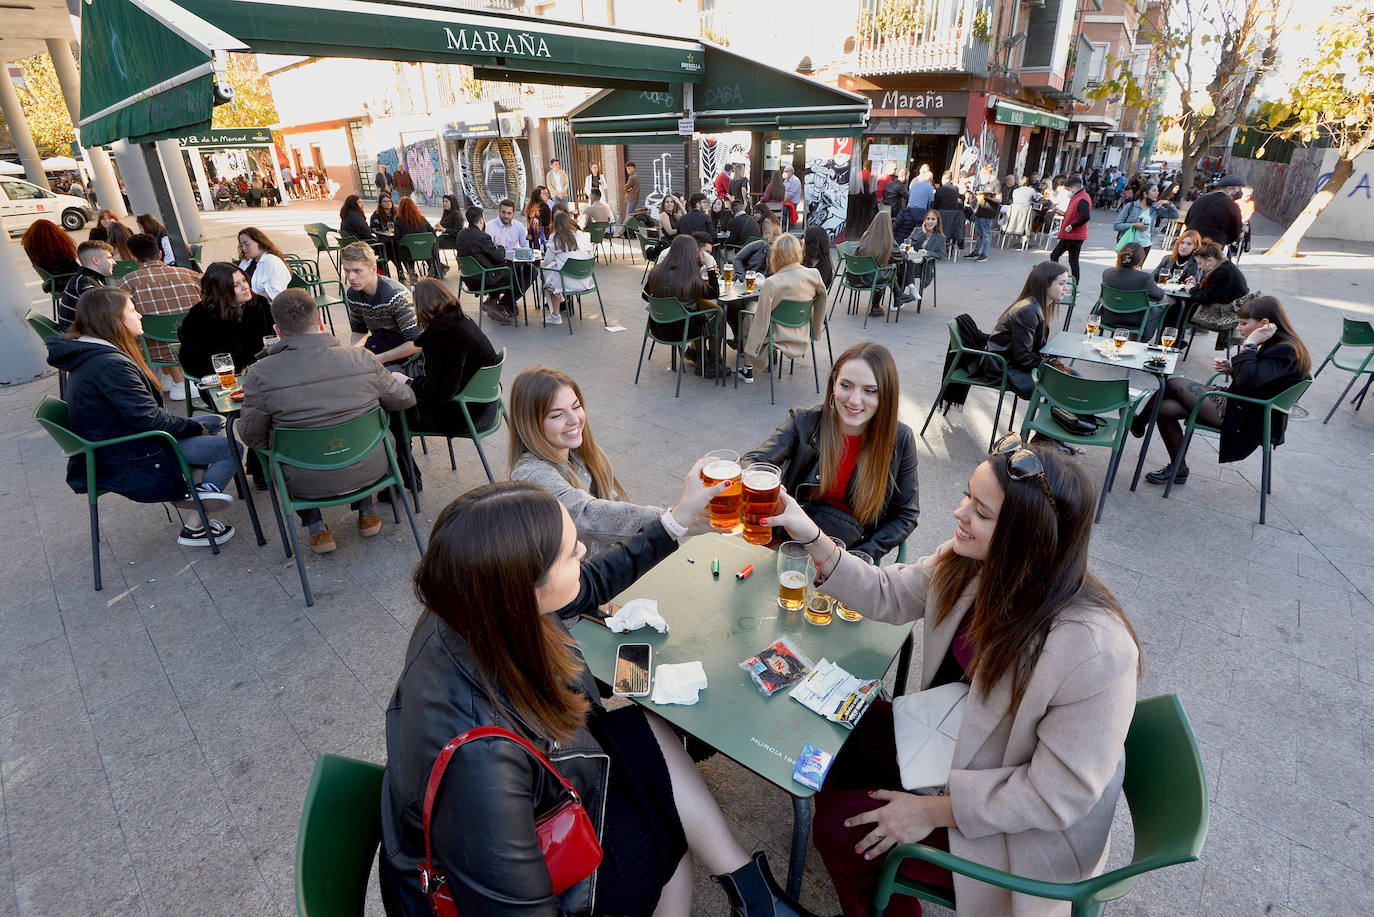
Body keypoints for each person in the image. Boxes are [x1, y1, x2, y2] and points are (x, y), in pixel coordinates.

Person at [380, 470, 818, 917]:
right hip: (525, 867)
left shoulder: (473, 600)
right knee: (666, 828)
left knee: (637, 723)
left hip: (544, 793)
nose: (584, 553)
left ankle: (754, 892)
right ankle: (751, 896)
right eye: (571, 554)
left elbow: (590, 584)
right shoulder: (479, 762)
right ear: (524, 582)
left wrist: (679, 519)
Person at [759, 435, 1139, 917]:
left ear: (1029, 537)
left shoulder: (1095, 649)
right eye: (967, 496)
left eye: (982, 512)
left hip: (1021, 833)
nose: (959, 514)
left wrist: (930, 812)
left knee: (839, 829)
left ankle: (879, 896)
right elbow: (887, 593)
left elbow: (1054, 796)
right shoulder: (973, 562)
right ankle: (875, 879)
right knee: (829, 735)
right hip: (950, 744)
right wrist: (811, 535)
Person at [46, 288, 238, 546]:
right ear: (114, 319)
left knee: (212, 421)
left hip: (123, 441)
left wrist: (191, 427)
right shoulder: (109, 364)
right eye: (132, 311)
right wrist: (191, 428)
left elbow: (143, 415)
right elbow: (149, 420)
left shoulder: (92, 353)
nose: (140, 316)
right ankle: (198, 515)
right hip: (134, 452)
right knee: (231, 447)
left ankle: (196, 489)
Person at [239, 287, 415, 554]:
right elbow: (404, 400)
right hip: (372, 466)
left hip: (303, 480)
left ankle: (317, 530)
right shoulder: (361, 358)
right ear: (320, 321)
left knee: (283, 445)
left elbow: (251, 436)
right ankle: (366, 513)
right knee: (358, 427)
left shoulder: (259, 374)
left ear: (278, 331)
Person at [744, 341, 918, 556]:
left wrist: (861, 557)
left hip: (847, 553)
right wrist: (770, 488)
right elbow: (753, 462)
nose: (854, 400)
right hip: (788, 542)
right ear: (833, 384)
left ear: (886, 395)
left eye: (870, 391)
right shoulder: (803, 421)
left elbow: (905, 515)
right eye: (845, 385)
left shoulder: (901, 439)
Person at [1135, 294, 1310, 484]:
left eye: (1243, 323)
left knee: (1172, 384)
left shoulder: (1285, 349)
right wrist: (1233, 369)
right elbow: (1261, 380)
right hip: (1244, 403)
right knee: (1163, 409)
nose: (1239, 328)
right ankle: (1179, 468)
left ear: (1264, 323)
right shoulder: (1278, 343)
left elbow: (1249, 382)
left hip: (1251, 415)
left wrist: (1250, 345)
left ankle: (1137, 423)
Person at [507, 367, 665, 548]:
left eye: (576, 406)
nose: (574, 419)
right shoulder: (530, 475)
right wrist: (671, 519)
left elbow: (611, 504)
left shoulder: (579, 453)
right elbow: (586, 514)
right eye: (557, 415)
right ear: (530, 424)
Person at [118, 232, 202, 399]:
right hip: (198, 342)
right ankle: (177, 378)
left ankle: (173, 378)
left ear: (134, 258)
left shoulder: (128, 282)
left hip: (155, 351)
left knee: (145, 330)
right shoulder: (191, 275)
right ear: (160, 254)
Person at [738, 235, 828, 385]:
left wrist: (755, 348)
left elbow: (762, 319)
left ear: (776, 255)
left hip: (777, 333)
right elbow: (822, 302)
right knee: (754, 311)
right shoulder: (814, 274)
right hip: (803, 329)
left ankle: (748, 368)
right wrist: (815, 330)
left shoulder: (771, 282)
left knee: (749, 315)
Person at [984, 261, 1073, 399]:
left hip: (1011, 361)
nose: (1066, 288)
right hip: (1003, 366)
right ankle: (1059, 418)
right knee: (1065, 383)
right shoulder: (1029, 311)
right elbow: (1023, 358)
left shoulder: (1036, 305)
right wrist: (1050, 362)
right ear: (1045, 283)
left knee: (1071, 377)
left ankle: (1070, 417)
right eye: (1061, 283)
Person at [644, 235, 723, 377]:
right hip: (684, 331)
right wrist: (710, 267)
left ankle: (701, 359)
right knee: (716, 315)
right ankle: (712, 362)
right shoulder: (692, 278)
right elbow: (714, 294)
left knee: (698, 312)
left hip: (657, 328)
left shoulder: (656, 271)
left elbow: (645, 296)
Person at [339, 241, 422, 367]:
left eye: (357, 271)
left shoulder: (396, 296)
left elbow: (417, 344)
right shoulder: (353, 294)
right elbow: (359, 331)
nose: (351, 277)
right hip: (382, 346)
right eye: (347, 270)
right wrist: (355, 353)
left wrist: (379, 359)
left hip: (408, 359)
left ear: (373, 268)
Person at [456, 205, 520, 325]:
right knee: (511, 270)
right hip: (483, 279)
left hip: (467, 278)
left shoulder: (461, 234)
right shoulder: (483, 237)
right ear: (481, 220)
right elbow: (498, 257)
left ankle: (493, 301)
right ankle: (503, 303)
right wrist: (501, 246)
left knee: (502, 268)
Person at [1098, 242, 1166, 341]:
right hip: (1133, 322)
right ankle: (1144, 339)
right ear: (1140, 260)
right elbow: (1159, 295)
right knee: (1162, 305)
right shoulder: (1144, 277)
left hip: (1108, 318)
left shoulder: (1107, 273)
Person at [541, 211, 595, 326]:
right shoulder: (581, 235)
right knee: (556, 275)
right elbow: (590, 253)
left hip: (565, 283)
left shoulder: (554, 238)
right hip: (585, 280)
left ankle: (555, 315)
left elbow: (547, 261)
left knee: (548, 282)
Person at [848, 209, 896, 317]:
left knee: (882, 270)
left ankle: (898, 295)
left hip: (854, 277)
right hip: (872, 281)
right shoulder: (889, 240)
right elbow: (899, 256)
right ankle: (877, 306)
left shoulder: (866, 236)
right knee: (889, 270)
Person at [58, 240, 115, 331]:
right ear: (96, 261)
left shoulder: (82, 277)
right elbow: (102, 321)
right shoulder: (87, 285)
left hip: (78, 333)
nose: (114, 262)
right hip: (79, 339)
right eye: (109, 258)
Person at [1112, 182, 1179, 259]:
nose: (1157, 193)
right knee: (1124, 268)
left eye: (1157, 191)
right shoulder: (1131, 206)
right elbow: (1116, 226)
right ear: (1145, 194)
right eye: (1154, 191)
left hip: (1145, 245)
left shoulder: (1155, 208)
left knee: (1138, 269)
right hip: (1128, 243)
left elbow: (1175, 216)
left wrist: (1168, 203)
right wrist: (1134, 225)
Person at [898, 210, 946, 307]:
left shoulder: (940, 237)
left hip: (923, 266)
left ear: (937, 222)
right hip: (909, 263)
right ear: (924, 220)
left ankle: (899, 299)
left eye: (933, 219)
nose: (930, 221)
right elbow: (908, 245)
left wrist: (927, 253)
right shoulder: (917, 231)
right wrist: (922, 233)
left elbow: (941, 255)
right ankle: (910, 287)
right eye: (928, 219)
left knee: (904, 265)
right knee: (905, 261)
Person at [1182, 239, 1247, 309]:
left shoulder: (1222, 272)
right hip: (1230, 305)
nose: (1199, 267)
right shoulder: (1224, 266)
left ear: (1209, 260)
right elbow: (1212, 290)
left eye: (1200, 263)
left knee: (1186, 305)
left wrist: (1191, 289)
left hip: (1229, 310)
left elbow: (1206, 298)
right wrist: (1196, 286)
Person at [1050, 176, 1092, 281]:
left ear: (1074, 187)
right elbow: (1075, 214)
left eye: (1069, 189)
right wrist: (1062, 213)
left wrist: (1072, 226)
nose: (1069, 191)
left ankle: (1074, 284)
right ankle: (1055, 277)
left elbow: (1085, 217)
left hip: (1075, 235)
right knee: (1056, 255)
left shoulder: (1082, 199)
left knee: (1072, 260)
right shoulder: (1078, 197)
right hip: (1070, 234)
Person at [1184, 180, 1243, 252]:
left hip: (1190, 241)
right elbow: (1235, 232)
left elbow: (1187, 220)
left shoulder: (1201, 199)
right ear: (1229, 189)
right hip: (1213, 247)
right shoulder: (1232, 206)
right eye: (1238, 189)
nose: (1239, 192)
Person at [20, 218, 79, 289]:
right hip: (67, 281)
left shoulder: (34, 251)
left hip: (53, 281)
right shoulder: (59, 252)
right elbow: (75, 268)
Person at [393, 196, 440, 284]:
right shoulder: (421, 218)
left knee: (400, 248)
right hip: (426, 251)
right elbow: (432, 233)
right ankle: (431, 267)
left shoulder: (399, 220)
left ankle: (411, 270)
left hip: (409, 253)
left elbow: (397, 238)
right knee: (429, 245)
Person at [237, 227, 291, 303]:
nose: (244, 248)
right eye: (241, 246)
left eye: (247, 244)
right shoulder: (245, 263)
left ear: (259, 241)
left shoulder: (273, 262)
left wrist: (249, 299)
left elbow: (275, 292)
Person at [644, 194, 684, 261]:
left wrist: (680, 204)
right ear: (664, 204)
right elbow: (670, 232)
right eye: (667, 202)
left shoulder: (674, 215)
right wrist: (683, 230)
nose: (670, 204)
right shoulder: (664, 215)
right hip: (666, 244)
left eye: (672, 202)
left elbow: (687, 218)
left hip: (673, 242)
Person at [968, 183, 999, 263]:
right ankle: (976, 251)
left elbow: (999, 199)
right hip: (980, 211)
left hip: (987, 213)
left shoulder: (996, 184)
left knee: (986, 234)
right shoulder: (985, 185)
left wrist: (988, 197)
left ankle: (984, 253)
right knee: (979, 233)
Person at [623, 161, 641, 225]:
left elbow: (625, 187)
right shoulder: (635, 176)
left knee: (628, 216)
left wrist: (628, 189)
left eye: (629, 168)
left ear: (633, 168)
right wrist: (629, 189)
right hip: (634, 198)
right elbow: (628, 188)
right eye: (627, 168)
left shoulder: (632, 177)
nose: (627, 170)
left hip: (632, 199)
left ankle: (623, 231)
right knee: (631, 215)